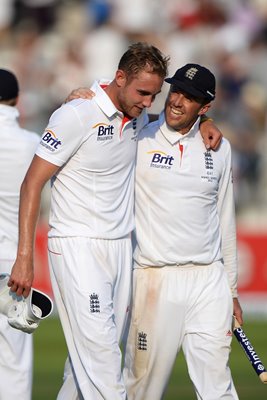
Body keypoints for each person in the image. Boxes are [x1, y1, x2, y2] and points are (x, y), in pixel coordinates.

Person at [9, 43, 221, 400]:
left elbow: (169, 122)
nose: (148, 103)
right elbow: (32, 182)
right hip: (77, 246)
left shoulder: (137, 115)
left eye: (155, 95)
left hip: (122, 249)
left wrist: (205, 119)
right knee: (105, 360)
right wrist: (25, 257)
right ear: (120, 78)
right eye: (142, 93)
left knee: (83, 370)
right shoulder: (76, 115)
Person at [122, 64, 243, 400]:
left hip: (208, 281)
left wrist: (230, 290)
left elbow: (225, 221)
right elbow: (110, 102)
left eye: (189, 98)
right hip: (155, 279)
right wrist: (83, 94)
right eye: (175, 90)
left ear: (204, 108)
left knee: (217, 387)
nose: (176, 101)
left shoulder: (219, 148)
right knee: (141, 388)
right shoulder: (139, 135)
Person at [0, 69, 40, 400]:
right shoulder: (32, 145)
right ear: (17, 101)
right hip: (15, 265)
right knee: (13, 364)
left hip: (14, 264)